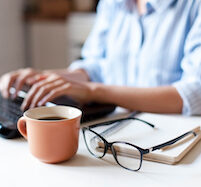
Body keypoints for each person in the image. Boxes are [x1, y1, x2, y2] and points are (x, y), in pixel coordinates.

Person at [0, 0, 201, 115]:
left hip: (173, 138)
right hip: (115, 129)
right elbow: (96, 66)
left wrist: (94, 91)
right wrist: (43, 78)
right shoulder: (112, 3)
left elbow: (193, 93)